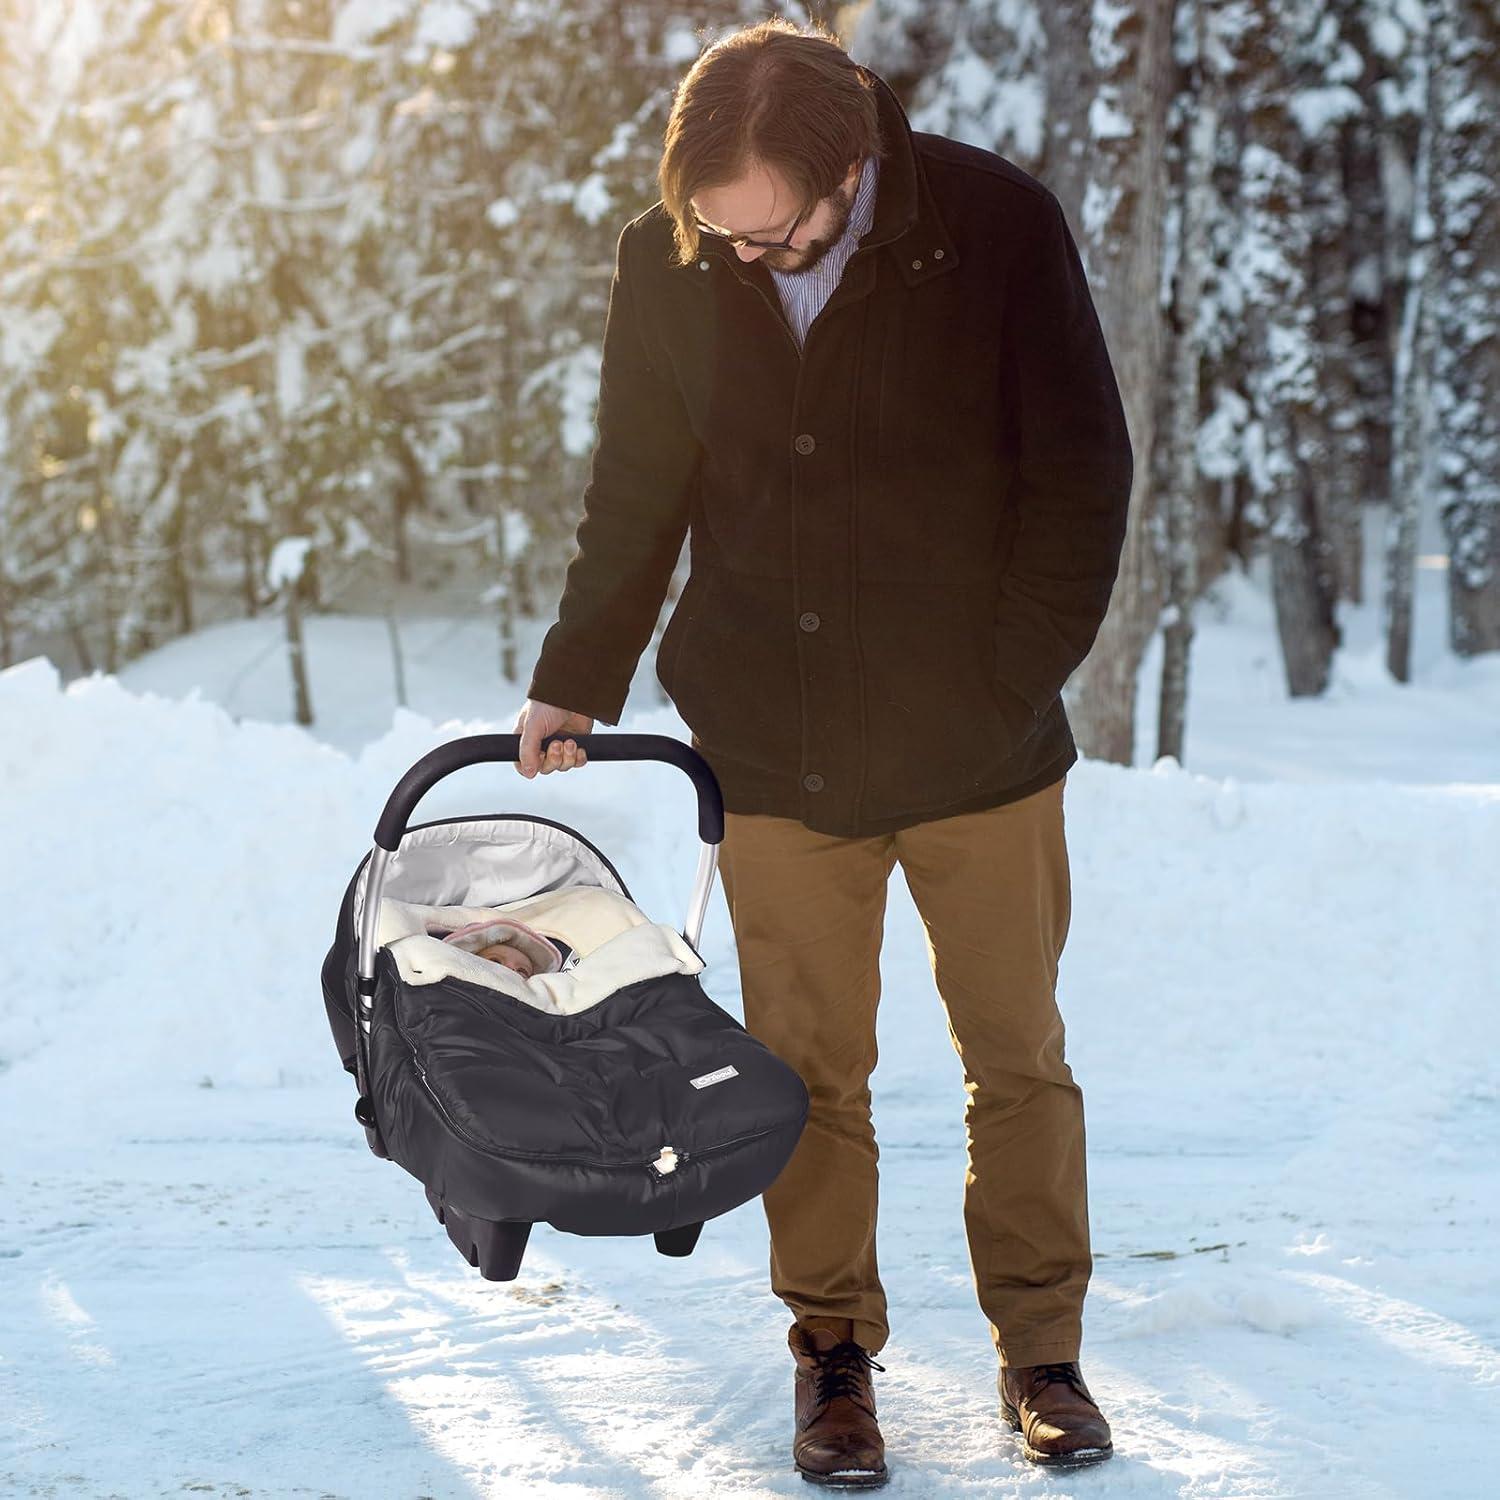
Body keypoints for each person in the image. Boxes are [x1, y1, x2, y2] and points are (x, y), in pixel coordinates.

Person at [513, 17, 1132, 1482]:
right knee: (804, 1073)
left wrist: (1006, 679)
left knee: (1016, 1061)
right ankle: (833, 1358)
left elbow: (1080, 471)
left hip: (978, 748)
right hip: (775, 745)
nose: (746, 256)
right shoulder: (675, 258)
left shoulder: (995, 225)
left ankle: (1042, 1356)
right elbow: (636, 486)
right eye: (719, 232)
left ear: (851, 163)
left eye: (772, 229)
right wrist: (574, 677)